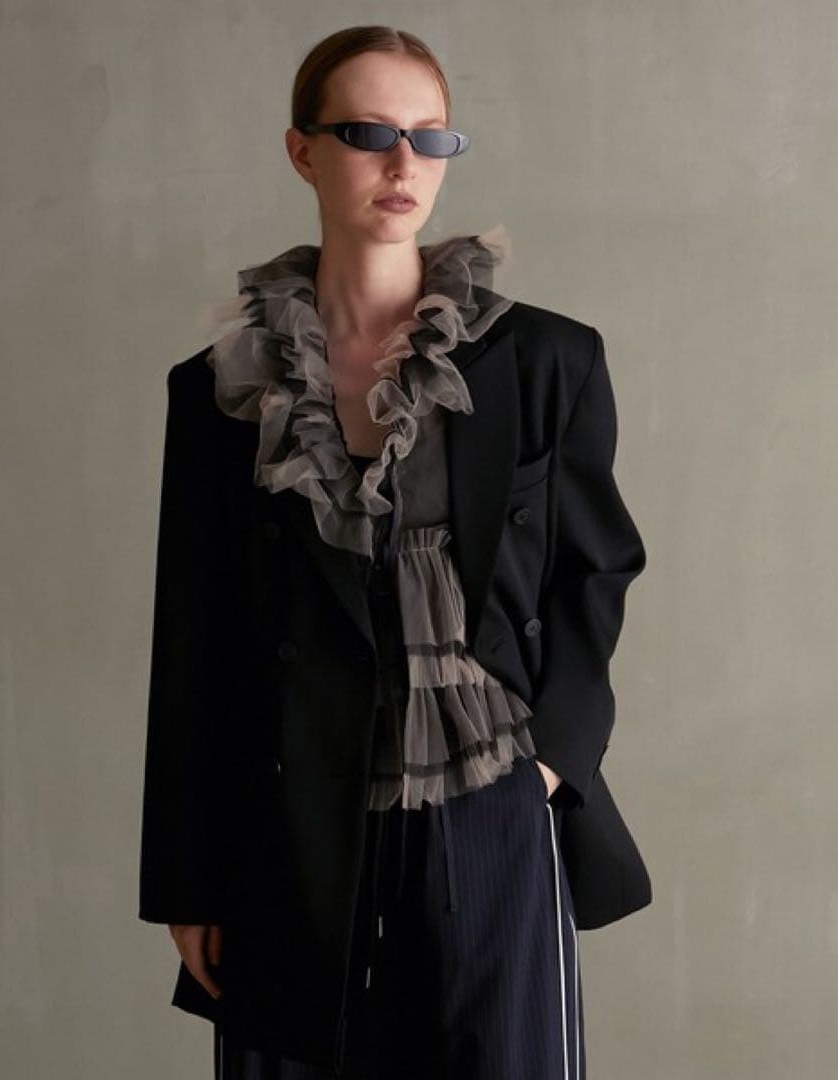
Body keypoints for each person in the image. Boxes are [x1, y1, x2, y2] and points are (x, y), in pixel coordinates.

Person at [138, 24, 651, 1080]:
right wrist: (187, 881)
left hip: (494, 804)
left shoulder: (545, 360)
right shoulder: (222, 390)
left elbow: (595, 573)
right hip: (287, 824)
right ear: (303, 151)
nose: (404, 162)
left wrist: (550, 763)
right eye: (369, 133)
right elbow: (194, 640)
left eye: (431, 136)